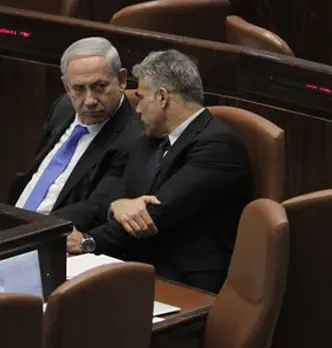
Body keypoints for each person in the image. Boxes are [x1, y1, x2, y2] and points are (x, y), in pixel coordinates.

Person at [66, 49, 252, 293]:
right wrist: (117, 206)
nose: (137, 109)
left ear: (162, 97)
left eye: (141, 98)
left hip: (182, 281)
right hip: (134, 262)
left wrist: (88, 243)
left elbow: (154, 216)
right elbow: (116, 198)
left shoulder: (218, 146)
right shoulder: (149, 139)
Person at [9, 37, 141, 239]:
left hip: (52, 236)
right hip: (13, 221)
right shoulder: (63, 107)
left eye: (99, 86)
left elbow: (94, 208)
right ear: (66, 86)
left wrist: (28, 232)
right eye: (78, 89)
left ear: (122, 80)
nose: (89, 101)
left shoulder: (133, 136)